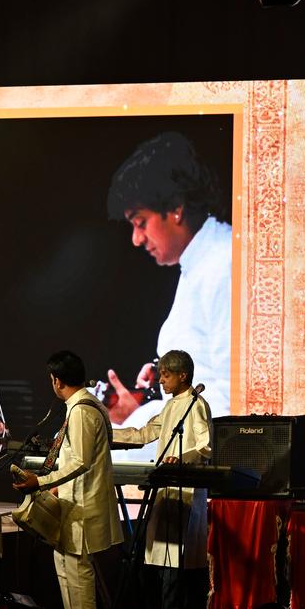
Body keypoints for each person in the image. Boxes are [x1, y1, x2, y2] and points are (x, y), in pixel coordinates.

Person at [103, 131, 231, 430]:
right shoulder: (198, 264)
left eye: (141, 223)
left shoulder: (223, 263)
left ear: (175, 209)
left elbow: (233, 399)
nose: (136, 239)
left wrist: (142, 421)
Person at [13, 351, 122, 609]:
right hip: (74, 502)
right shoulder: (80, 406)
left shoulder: (83, 410)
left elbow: (81, 461)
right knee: (65, 568)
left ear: (56, 380)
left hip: (84, 505)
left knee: (78, 571)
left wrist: (42, 482)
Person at [112, 349, 211, 609]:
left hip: (186, 492)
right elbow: (143, 434)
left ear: (183, 376)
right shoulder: (170, 407)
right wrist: (105, 433)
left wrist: (181, 458)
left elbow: (204, 447)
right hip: (167, 489)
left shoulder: (196, 404)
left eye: (166, 376)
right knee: (163, 553)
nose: (162, 382)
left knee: (178, 556)